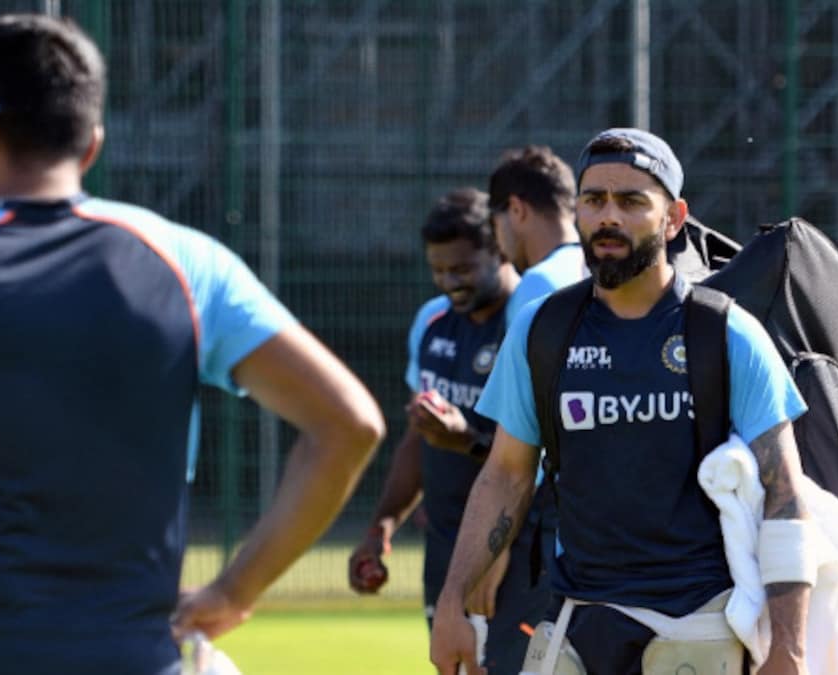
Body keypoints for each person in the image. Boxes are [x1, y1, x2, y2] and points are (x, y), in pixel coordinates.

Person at [0, 14, 384, 675]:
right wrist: (234, 588)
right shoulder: (188, 262)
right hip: (131, 657)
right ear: (92, 145)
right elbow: (350, 424)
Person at [429, 128, 813, 675]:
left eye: (632, 201)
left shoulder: (727, 333)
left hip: (699, 625)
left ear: (674, 218)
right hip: (577, 624)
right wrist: (452, 602)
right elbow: (506, 476)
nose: (609, 216)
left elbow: (786, 494)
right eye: (594, 200)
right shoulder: (543, 331)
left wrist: (789, 648)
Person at [347, 188, 550, 674]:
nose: (448, 283)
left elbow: (543, 459)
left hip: (517, 551)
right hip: (445, 549)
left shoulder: (530, 322)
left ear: (499, 248)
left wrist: (465, 439)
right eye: (438, 270)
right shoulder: (432, 322)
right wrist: (382, 526)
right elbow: (417, 438)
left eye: (461, 269)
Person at [486, 145, 587, 323]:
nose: (497, 241)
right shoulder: (602, 270)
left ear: (517, 210)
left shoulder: (537, 283)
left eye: (494, 223)